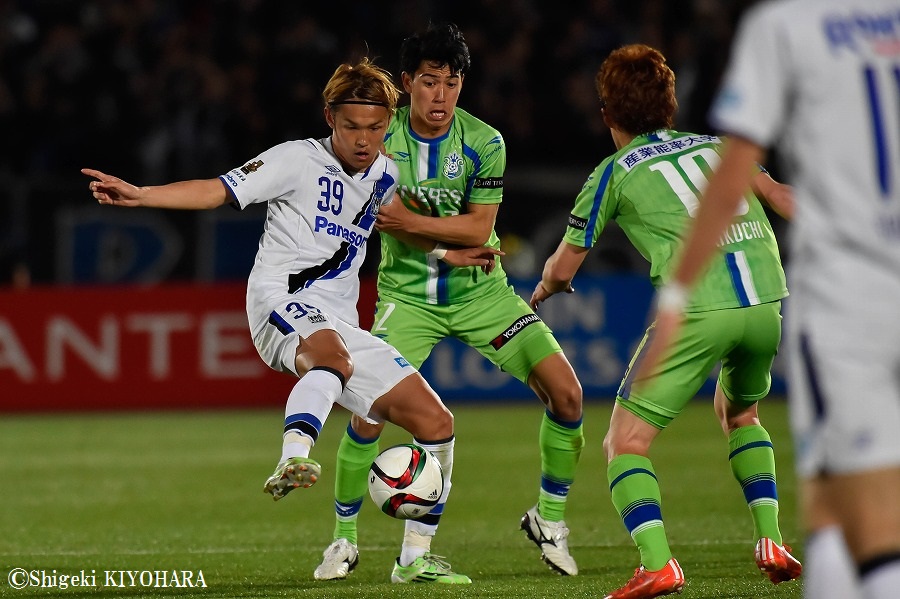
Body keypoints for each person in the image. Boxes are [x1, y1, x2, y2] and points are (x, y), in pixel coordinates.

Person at [82, 58, 501, 583]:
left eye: (375, 127)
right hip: (279, 301)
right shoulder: (294, 160)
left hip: (339, 322)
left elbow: (387, 223)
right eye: (351, 126)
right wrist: (144, 195)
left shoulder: (386, 172)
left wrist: (445, 251)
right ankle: (293, 457)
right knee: (331, 358)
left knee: (437, 423)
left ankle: (414, 560)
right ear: (329, 117)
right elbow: (217, 189)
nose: (364, 139)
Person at [640, 2, 900, 598]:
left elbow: (733, 175)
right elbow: (778, 192)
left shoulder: (785, 26)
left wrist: (677, 296)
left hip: (849, 292)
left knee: (841, 506)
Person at [313, 22, 585, 583]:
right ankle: (343, 540)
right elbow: (387, 219)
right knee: (367, 416)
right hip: (407, 299)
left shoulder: (484, 142)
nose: (441, 95)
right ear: (407, 82)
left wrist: (413, 223)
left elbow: (481, 226)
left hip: (483, 295)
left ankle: (548, 520)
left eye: (453, 82)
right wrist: (440, 239)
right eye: (430, 82)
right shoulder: (384, 141)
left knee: (568, 396)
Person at [530, 44, 802, 599]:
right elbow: (781, 197)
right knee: (742, 411)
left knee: (625, 443)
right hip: (768, 302)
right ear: (670, 105)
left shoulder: (610, 173)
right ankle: (771, 539)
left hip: (700, 308)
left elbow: (564, 264)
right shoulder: (720, 147)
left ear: (607, 113)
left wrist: (545, 289)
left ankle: (658, 564)